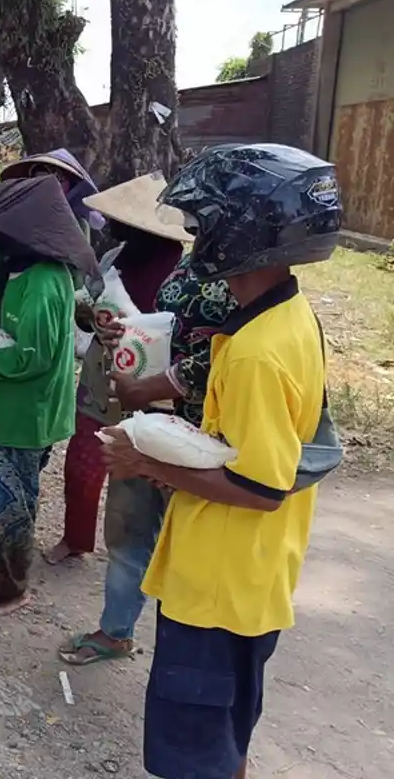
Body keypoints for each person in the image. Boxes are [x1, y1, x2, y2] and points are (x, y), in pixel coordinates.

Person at [100, 144, 341, 779]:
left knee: (192, 753)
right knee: (222, 736)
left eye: (204, 223)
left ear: (243, 231)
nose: (194, 235)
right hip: (252, 577)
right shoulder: (285, 317)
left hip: (219, 587)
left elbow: (261, 486)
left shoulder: (257, 351)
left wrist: (143, 462)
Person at [55, 174, 223, 665]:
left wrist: (153, 386)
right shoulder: (177, 274)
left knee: (188, 542)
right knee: (128, 531)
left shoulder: (220, 281)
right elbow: (140, 334)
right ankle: (116, 630)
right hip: (140, 421)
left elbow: (219, 356)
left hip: (197, 432)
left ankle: (188, 646)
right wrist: (112, 332)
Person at [0, 175, 97, 616]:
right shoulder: (23, 271)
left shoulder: (47, 282)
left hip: (28, 416)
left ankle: (10, 589)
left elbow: (31, 359)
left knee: (10, 508)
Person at [44, 173, 184, 564]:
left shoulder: (180, 272)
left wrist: (136, 331)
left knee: (144, 475)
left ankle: (143, 551)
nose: (114, 227)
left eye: (123, 222)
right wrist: (93, 319)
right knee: (83, 461)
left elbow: (180, 333)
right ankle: (76, 538)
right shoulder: (112, 259)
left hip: (151, 388)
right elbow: (88, 303)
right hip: (100, 378)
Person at [0, 148, 100, 498]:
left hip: (33, 337)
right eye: (38, 172)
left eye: (56, 176)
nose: (46, 181)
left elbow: (63, 303)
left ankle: (14, 473)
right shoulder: (13, 229)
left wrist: (27, 325)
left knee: (19, 445)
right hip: (1, 332)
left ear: (71, 186)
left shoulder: (65, 243)